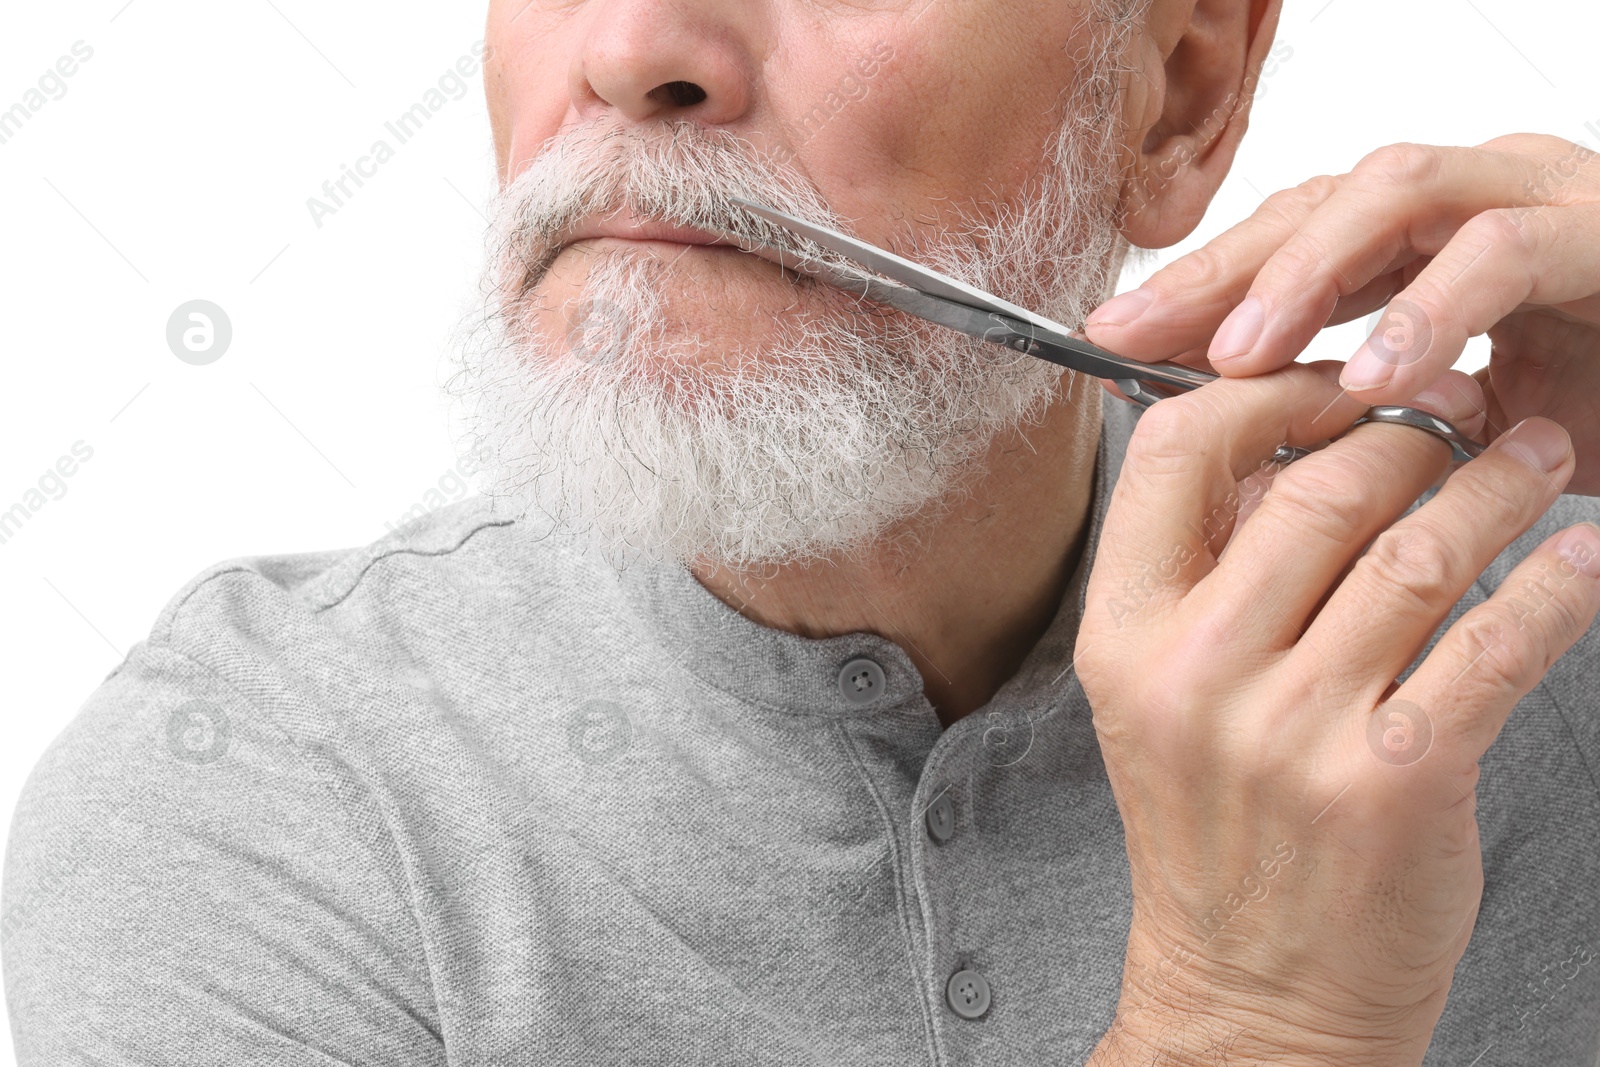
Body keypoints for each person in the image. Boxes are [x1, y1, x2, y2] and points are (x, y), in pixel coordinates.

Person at [5, 0, 1600, 1063]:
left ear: (1175, 92)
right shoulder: (247, 791)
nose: (632, 47)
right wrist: (1247, 1024)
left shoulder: (1539, 633)